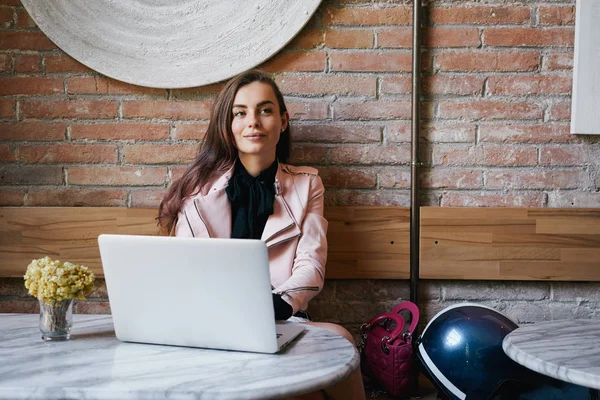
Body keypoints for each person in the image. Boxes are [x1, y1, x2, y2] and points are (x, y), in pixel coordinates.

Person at [158, 69, 366, 400]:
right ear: (228, 125)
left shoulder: (307, 183)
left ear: (283, 121)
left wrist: (278, 305)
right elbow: (187, 269)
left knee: (339, 338)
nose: (253, 121)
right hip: (215, 321)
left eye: (265, 110)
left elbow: (311, 264)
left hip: (281, 315)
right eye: (240, 113)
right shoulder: (197, 192)